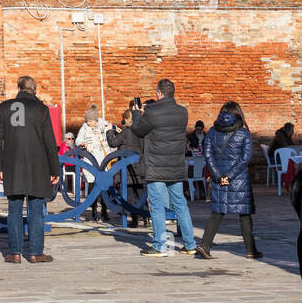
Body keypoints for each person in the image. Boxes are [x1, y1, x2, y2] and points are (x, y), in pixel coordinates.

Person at [0, 76, 60, 265]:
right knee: (36, 209)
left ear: (18, 88)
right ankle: (36, 252)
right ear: (34, 90)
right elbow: (49, 141)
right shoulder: (41, 109)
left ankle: (14, 253)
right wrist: (55, 169)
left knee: (14, 208)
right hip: (38, 165)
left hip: (12, 164)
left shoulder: (6, 107)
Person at [131, 79, 197, 258]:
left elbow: (138, 130)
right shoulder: (183, 112)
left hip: (156, 166)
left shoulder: (152, 112)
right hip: (175, 165)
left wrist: (137, 114)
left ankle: (159, 246)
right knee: (181, 204)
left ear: (159, 93)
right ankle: (190, 244)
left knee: (158, 206)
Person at [197, 102, 261, 260]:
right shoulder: (243, 133)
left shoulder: (211, 132)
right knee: (244, 213)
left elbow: (208, 156)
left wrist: (218, 176)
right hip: (238, 179)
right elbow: (245, 159)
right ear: (238, 113)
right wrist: (230, 176)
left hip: (219, 178)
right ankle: (251, 249)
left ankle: (205, 245)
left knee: (217, 212)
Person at [108, 107, 146, 227]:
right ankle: (145, 218)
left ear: (126, 119)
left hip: (127, 168)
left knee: (129, 195)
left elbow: (113, 143)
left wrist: (109, 131)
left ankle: (134, 220)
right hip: (139, 166)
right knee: (140, 193)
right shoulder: (141, 132)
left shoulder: (126, 132)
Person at [75, 105, 113, 223]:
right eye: (87, 120)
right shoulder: (84, 128)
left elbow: (111, 140)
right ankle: (94, 211)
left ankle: (104, 210)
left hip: (103, 159)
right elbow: (78, 140)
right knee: (92, 187)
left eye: (90, 120)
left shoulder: (104, 126)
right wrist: (82, 144)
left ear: (96, 120)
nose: (88, 122)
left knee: (104, 187)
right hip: (91, 160)